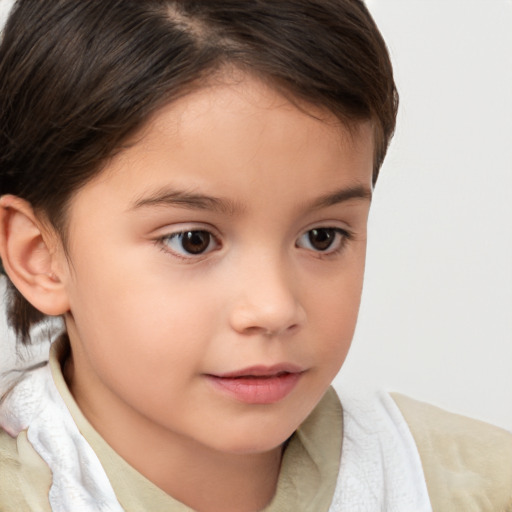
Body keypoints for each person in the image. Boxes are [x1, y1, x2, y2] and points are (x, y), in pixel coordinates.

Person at [0, 1, 510, 511]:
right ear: (39, 255)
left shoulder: (476, 487)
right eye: (193, 240)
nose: (274, 308)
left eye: (322, 237)